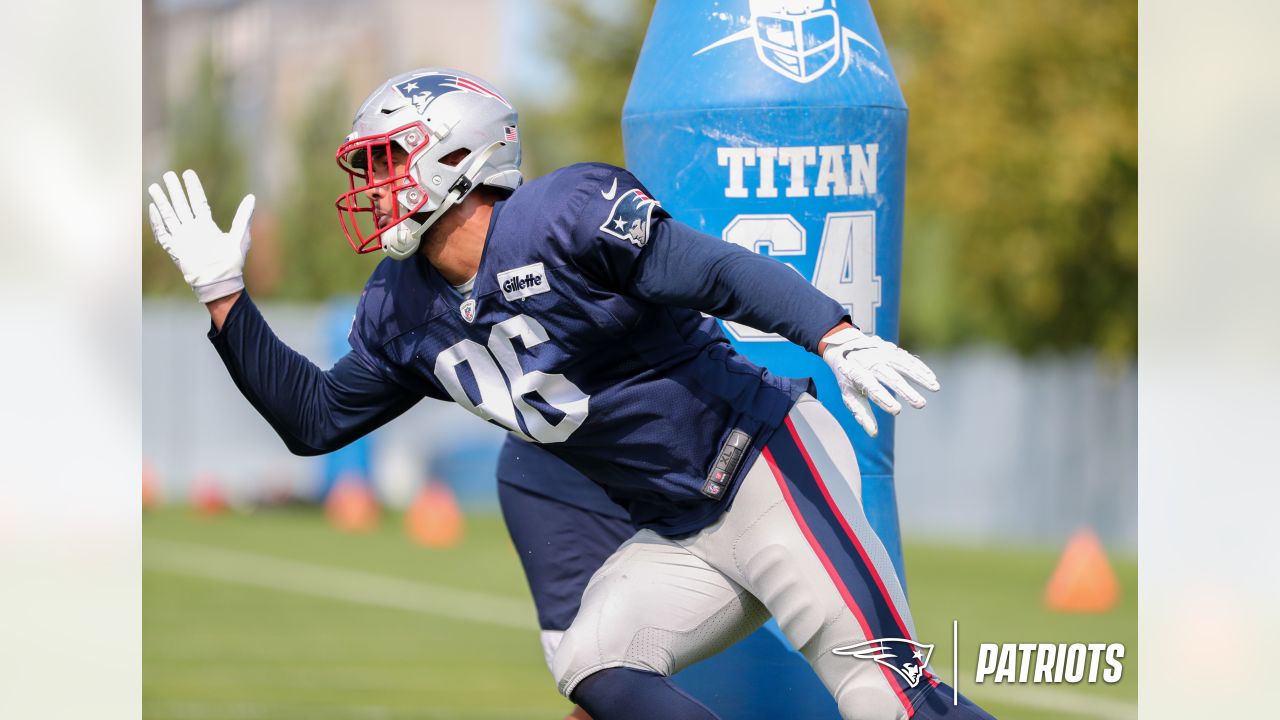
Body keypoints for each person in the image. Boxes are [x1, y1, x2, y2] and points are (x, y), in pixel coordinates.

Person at [147, 67, 993, 720]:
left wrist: (831, 330)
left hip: (763, 463)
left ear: (456, 156)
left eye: (386, 161)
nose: (372, 185)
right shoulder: (400, 306)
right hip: (680, 530)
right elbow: (315, 418)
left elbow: (712, 270)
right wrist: (225, 296)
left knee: (888, 696)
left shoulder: (564, 216)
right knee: (590, 661)